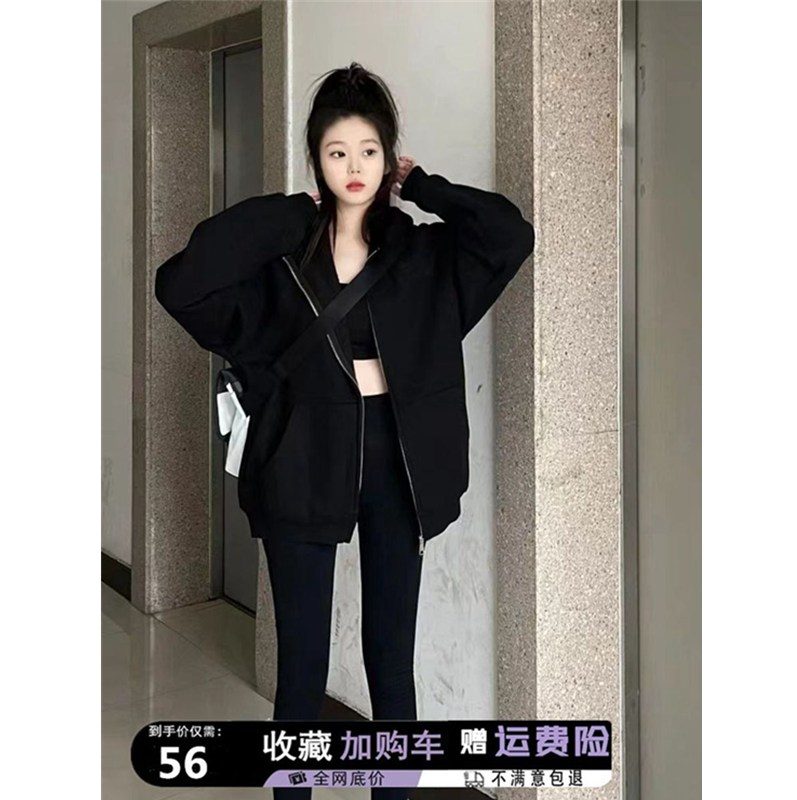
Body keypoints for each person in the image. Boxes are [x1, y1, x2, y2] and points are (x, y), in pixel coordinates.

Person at [154, 62, 535, 800]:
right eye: (337, 152)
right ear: (316, 160)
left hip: (399, 460)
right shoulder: (282, 260)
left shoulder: (422, 256)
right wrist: (286, 215)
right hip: (301, 457)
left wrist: (425, 188)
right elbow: (181, 283)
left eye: (368, 150)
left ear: (388, 157)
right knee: (302, 666)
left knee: (391, 660)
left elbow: (509, 236)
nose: (353, 167)